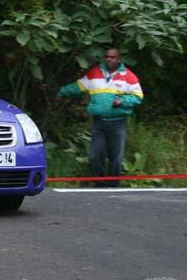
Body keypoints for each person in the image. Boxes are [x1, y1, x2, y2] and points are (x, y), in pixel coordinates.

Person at [57, 48, 144, 187]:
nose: (109, 59)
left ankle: (113, 186)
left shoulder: (129, 76)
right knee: (95, 156)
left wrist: (123, 101)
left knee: (116, 158)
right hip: (99, 123)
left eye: (113, 57)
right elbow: (78, 86)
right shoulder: (94, 73)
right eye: (107, 57)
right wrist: (62, 92)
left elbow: (138, 97)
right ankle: (100, 185)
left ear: (118, 59)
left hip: (118, 123)